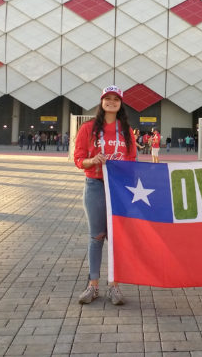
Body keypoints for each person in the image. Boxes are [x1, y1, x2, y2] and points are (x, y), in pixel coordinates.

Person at [73, 85, 137, 306]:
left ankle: (115, 286)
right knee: (96, 236)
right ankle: (93, 285)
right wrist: (92, 161)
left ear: (121, 104)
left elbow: (132, 161)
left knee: (117, 238)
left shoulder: (126, 130)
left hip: (119, 189)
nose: (111, 102)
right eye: (107, 98)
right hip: (95, 185)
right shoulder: (88, 128)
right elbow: (79, 158)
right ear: (101, 102)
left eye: (116, 99)